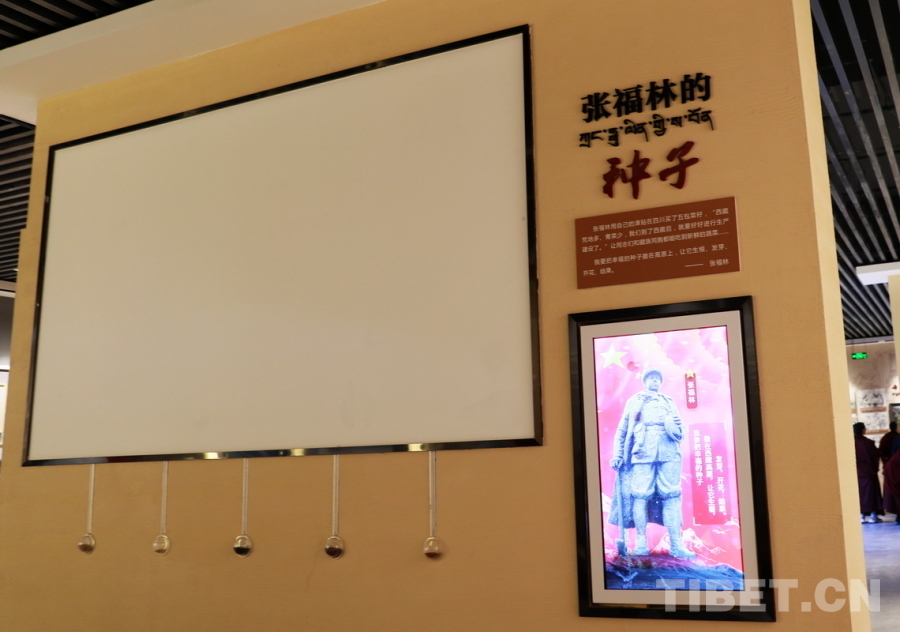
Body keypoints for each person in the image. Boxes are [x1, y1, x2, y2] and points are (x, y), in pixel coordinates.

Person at [609, 368, 695, 559]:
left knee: (672, 495)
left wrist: (675, 427)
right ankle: (641, 542)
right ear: (645, 381)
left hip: (668, 450)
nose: (655, 381)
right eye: (651, 378)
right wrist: (618, 454)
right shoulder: (635, 400)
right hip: (642, 451)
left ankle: (676, 544)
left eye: (657, 378)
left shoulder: (668, 401)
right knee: (640, 495)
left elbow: (680, 427)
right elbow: (623, 429)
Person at [854, 422, 883, 523]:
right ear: (863, 430)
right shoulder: (868, 443)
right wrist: (875, 469)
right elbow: (875, 456)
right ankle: (873, 516)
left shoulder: (850, 443)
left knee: (860, 495)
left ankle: (861, 516)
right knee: (871, 494)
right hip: (869, 473)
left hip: (856, 474)